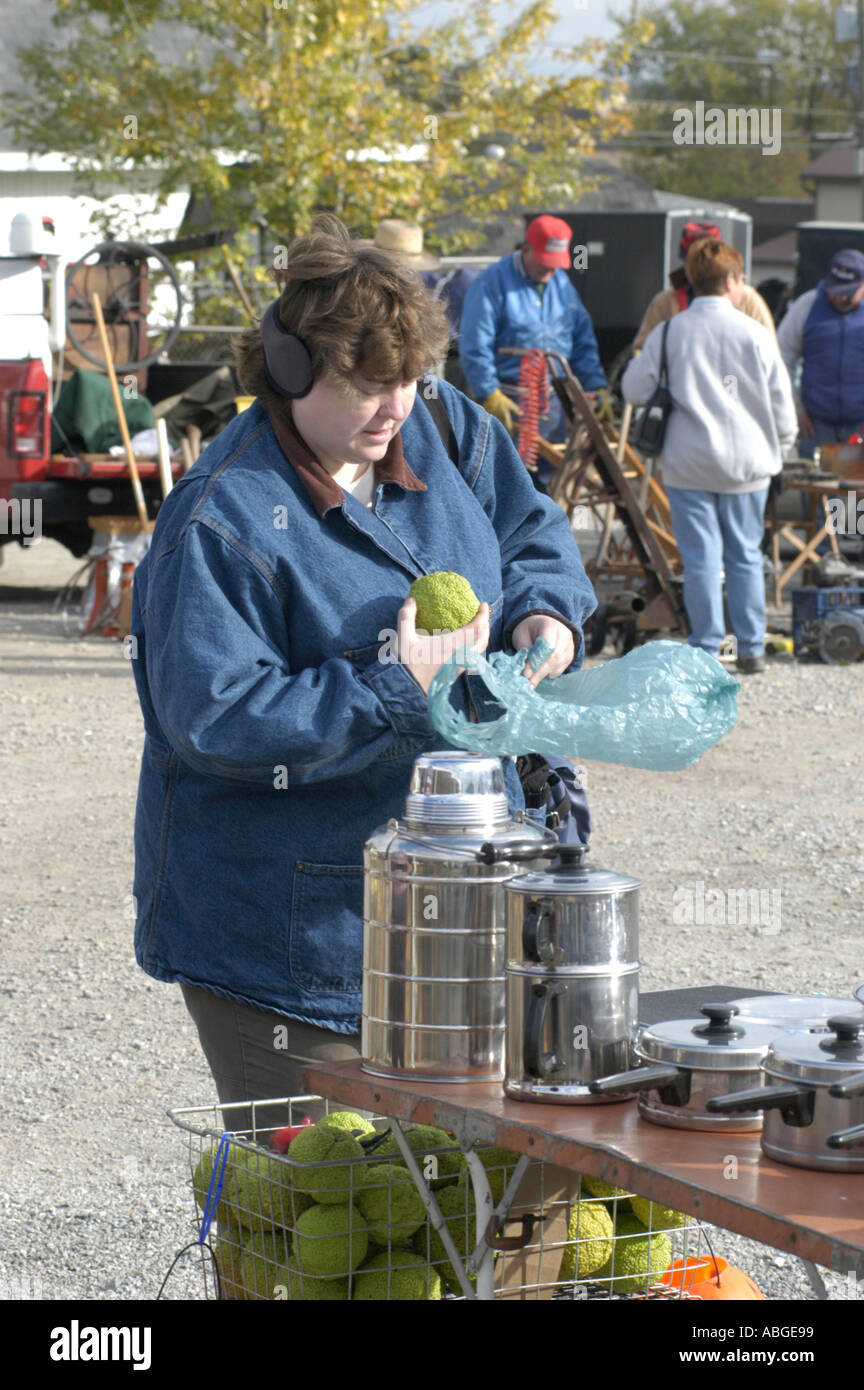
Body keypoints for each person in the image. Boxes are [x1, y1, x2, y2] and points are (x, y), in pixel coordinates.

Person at [129, 213, 596, 1125]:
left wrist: (547, 606)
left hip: (459, 909)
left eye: (410, 382)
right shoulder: (221, 523)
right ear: (293, 372)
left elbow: (531, 527)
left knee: (452, 1209)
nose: (394, 408)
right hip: (286, 944)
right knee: (322, 1227)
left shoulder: (445, 425)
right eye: (366, 386)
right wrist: (401, 691)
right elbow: (219, 719)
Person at [621, 239, 797, 675]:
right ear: (733, 281)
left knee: (700, 560)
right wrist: (784, 451)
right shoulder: (755, 333)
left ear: (693, 283)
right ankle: (751, 647)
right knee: (745, 556)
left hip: (689, 463)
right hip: (748, 466)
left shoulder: (669, 333)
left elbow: (633, 390)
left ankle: (706, 647)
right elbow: (782, 405)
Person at [458, 213, 607, 482]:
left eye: (556, 265)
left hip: (553, 405)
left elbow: (582, 340)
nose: (551, 271)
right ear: (526, 249)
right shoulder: (491, 283)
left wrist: (595, 384)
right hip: (508, 405)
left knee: (551, 483)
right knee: (507, 483)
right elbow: (475, 342)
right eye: (545, 264)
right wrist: (488, 391)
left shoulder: (561, 284)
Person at [633, 221, 777, 352]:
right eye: (695, 262)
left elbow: (770, 351)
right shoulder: (665, 301)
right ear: (685, 263)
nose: (701, 269)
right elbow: (642, 350)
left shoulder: (746, 297)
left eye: (707, 262)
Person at [776, 248, 864, 458]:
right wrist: (795, 409)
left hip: (859, 427)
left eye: (849, 292)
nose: (841, 297)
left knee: (852, 489)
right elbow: (781, 357)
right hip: (816, 426)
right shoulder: (807, 305)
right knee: (819, 487)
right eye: (836, 290)